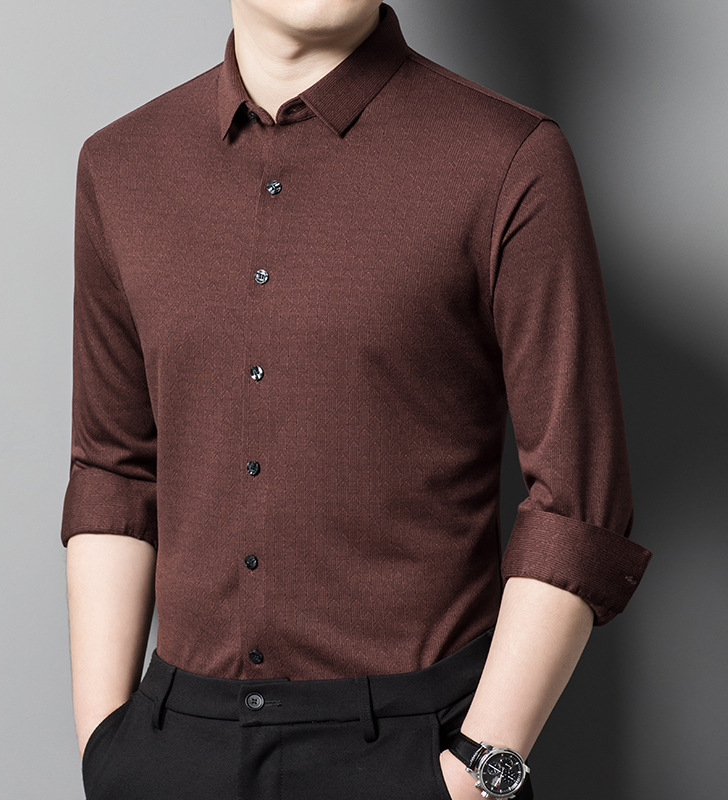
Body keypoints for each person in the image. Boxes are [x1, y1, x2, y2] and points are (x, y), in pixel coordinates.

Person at [61, 2, 652, 798]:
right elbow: (113, 472)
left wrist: (475, 772)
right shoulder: (121, 165)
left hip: (416, 750)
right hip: (175, 748)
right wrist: (107, 751)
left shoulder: (507, 157)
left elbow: (579, 504)